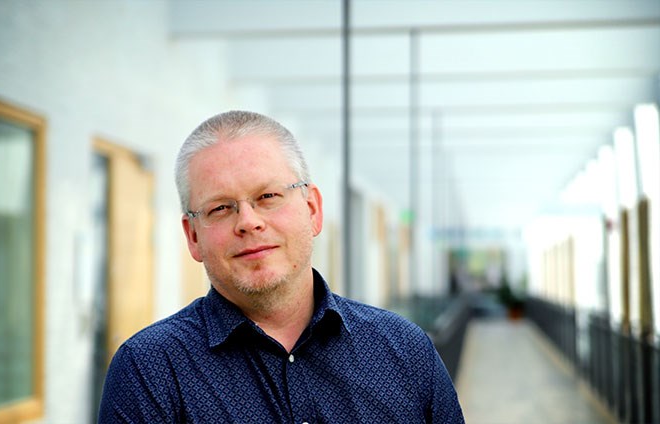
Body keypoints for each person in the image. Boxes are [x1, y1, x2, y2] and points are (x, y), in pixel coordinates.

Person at [98, 110, 465, 423]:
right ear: (193, 236)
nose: (248, 221)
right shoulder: (149, 371)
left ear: (312, 210)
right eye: (220, 208)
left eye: (268, 196)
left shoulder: (405, 350)